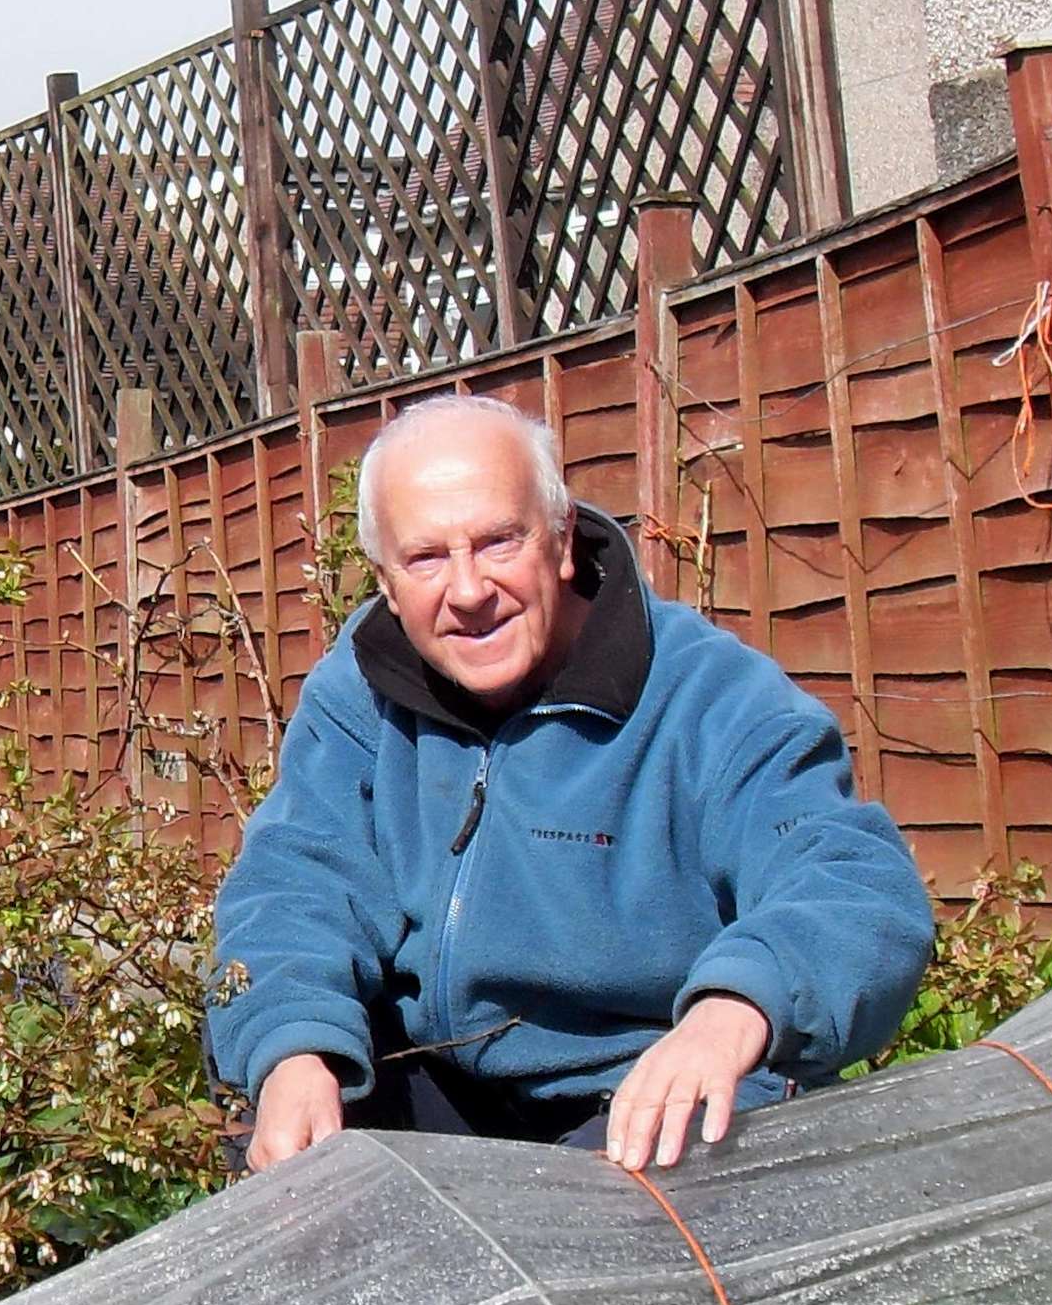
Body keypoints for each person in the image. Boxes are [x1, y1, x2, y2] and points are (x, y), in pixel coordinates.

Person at [206, 394, 934, 1173]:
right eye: (425, 559)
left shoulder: (714, 701)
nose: (467, 591)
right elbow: (294, 883)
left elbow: (854, 888)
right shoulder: (360, 691)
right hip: (440, 1082)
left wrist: (735, 1011)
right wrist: (290, 1050)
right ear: (385, 583)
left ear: (558, 541)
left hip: (644, 1097)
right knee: (301, 1148)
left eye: (497, 542)